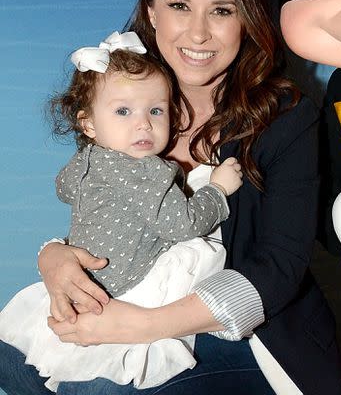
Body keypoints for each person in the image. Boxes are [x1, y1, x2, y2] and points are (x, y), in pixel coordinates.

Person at [0, 0, 341, 395]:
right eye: (179, 6)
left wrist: (142, 325)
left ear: (246, 19)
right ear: (151, 13)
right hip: (135, 298)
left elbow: (279, 268)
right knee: (12, 358)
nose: (199, 33)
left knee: (96, 390)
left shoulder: (287, 117)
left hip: (251, 334)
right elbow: (107, 211)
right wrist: (55, 257)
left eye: (221, 10)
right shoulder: (127, 98)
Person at [0, 31, 242, 391]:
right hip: (128, 288)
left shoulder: (86, 161)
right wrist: (218, 189)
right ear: (89, 124)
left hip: (97, 284)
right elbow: (183, 223)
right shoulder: (144, 169)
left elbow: (64, 188)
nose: (143, 123)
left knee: (34, 362)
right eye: (123, 111)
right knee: (94, 377)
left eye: (155, 111)